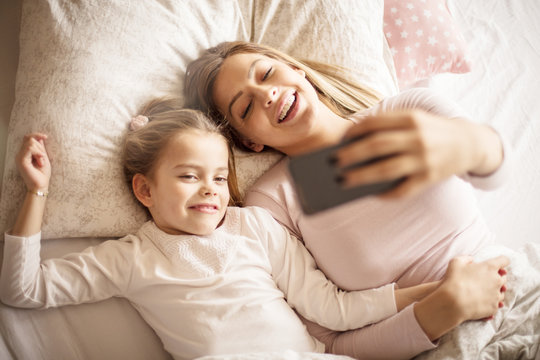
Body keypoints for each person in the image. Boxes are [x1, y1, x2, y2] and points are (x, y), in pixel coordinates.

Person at [0, 99, 505, 360]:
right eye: (189, 176)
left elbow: (336, 309)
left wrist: (436, 290)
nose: (211, 190)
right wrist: (37, 193)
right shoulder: (131, 258)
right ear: (145, 191)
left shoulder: (254, 226)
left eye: (220, 177)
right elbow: (22, 290)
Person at [183, 41, 514, 359]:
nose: (267, 94)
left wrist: (467, 144)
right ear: (249, 141)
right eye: (246, 107)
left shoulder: (408, 109)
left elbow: (497, 168)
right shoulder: (272, 202)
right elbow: (329, 345)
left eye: (267, 74)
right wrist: (442, 309)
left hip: (513, 294)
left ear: (298, 70)